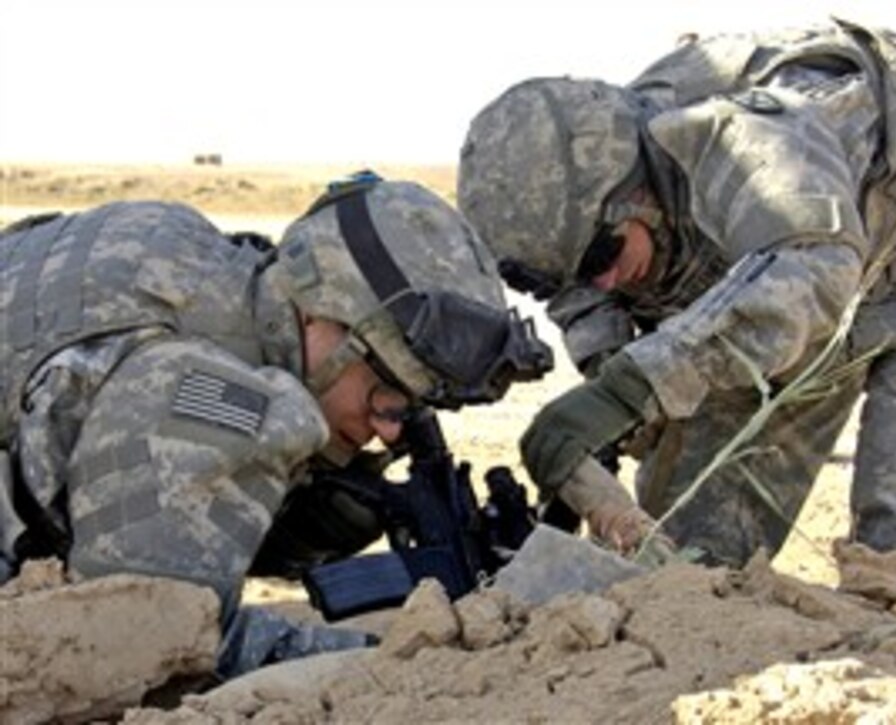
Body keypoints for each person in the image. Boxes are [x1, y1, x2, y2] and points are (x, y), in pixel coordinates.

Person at [457, 20, 896, 612]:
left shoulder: (748, 137)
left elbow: (811, 272)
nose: (605, 280)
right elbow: (585, 289)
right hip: (796, 279)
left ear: (639, 192)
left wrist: (635, 386)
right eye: (571, 274)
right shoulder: (587, 225)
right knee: (679, 567)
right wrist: (610, 375)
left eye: (605, 255)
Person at [0, 171, 552, 677]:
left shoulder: (187, 254)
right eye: (384, 390)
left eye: (407, 407)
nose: (389, 431)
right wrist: (389, 669)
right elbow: (142, 646)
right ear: (320, 315)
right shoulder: (211, 396)